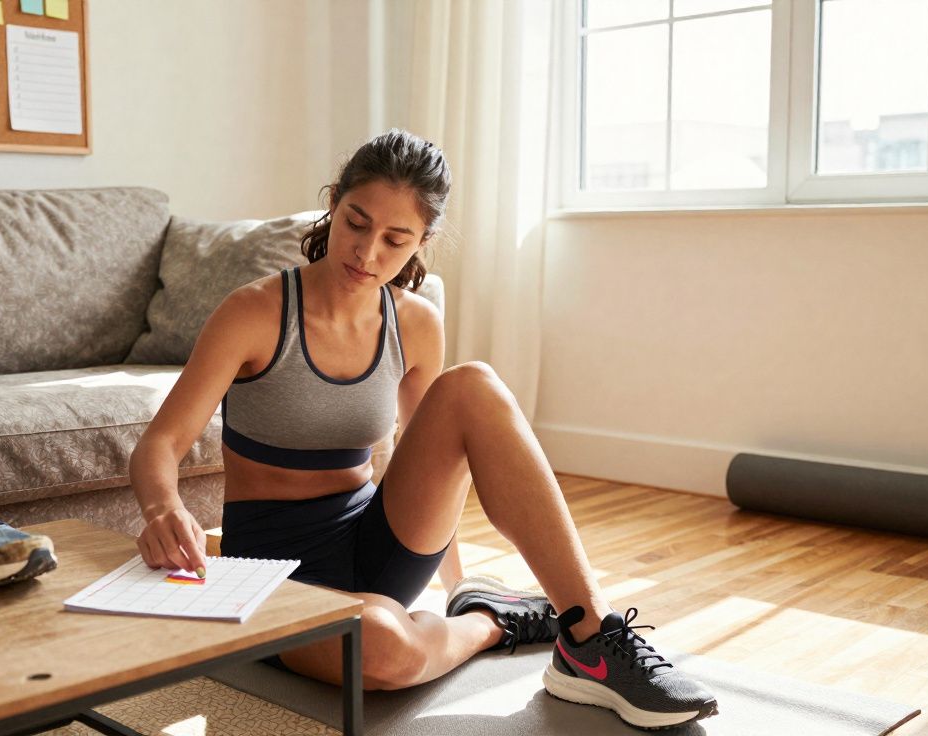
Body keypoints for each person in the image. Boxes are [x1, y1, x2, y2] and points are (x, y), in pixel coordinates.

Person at [130, 129, 718, 730]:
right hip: (274, 571)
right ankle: (495, 620)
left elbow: (433, 461)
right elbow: (161, 443)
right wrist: (160, 508)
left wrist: (454, 579)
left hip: (381, 549)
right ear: (333, 203)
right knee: (382, 651)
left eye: (395, 239)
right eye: (356, 223)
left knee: (473, 386)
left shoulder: (415, 323)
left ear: (422, 243)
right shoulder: (254, 312)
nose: (367, 252)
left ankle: (591, 637)